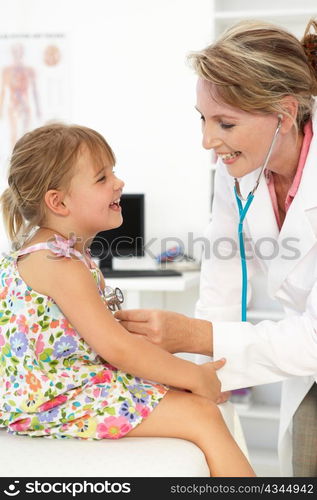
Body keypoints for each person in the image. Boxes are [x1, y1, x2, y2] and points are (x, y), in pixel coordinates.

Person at [115, 19, 317, 477]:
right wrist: (201, 374)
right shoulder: (241, 170)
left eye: (225, 123)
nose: (208, 142)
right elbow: (221, 284)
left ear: (285, 115)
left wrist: (193, 337)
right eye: (203, 119)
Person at [0, 123, 255, 477]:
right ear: (58, 202)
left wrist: (176, 375)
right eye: (102, 177)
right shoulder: (59, 263)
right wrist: (193, 376)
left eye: (113, 171)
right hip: (50, 400)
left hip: (60, 386)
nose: (118, 182)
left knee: (188, 396)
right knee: (203, 415)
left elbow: (102, 346)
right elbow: (118, 349)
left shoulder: (59, 256)